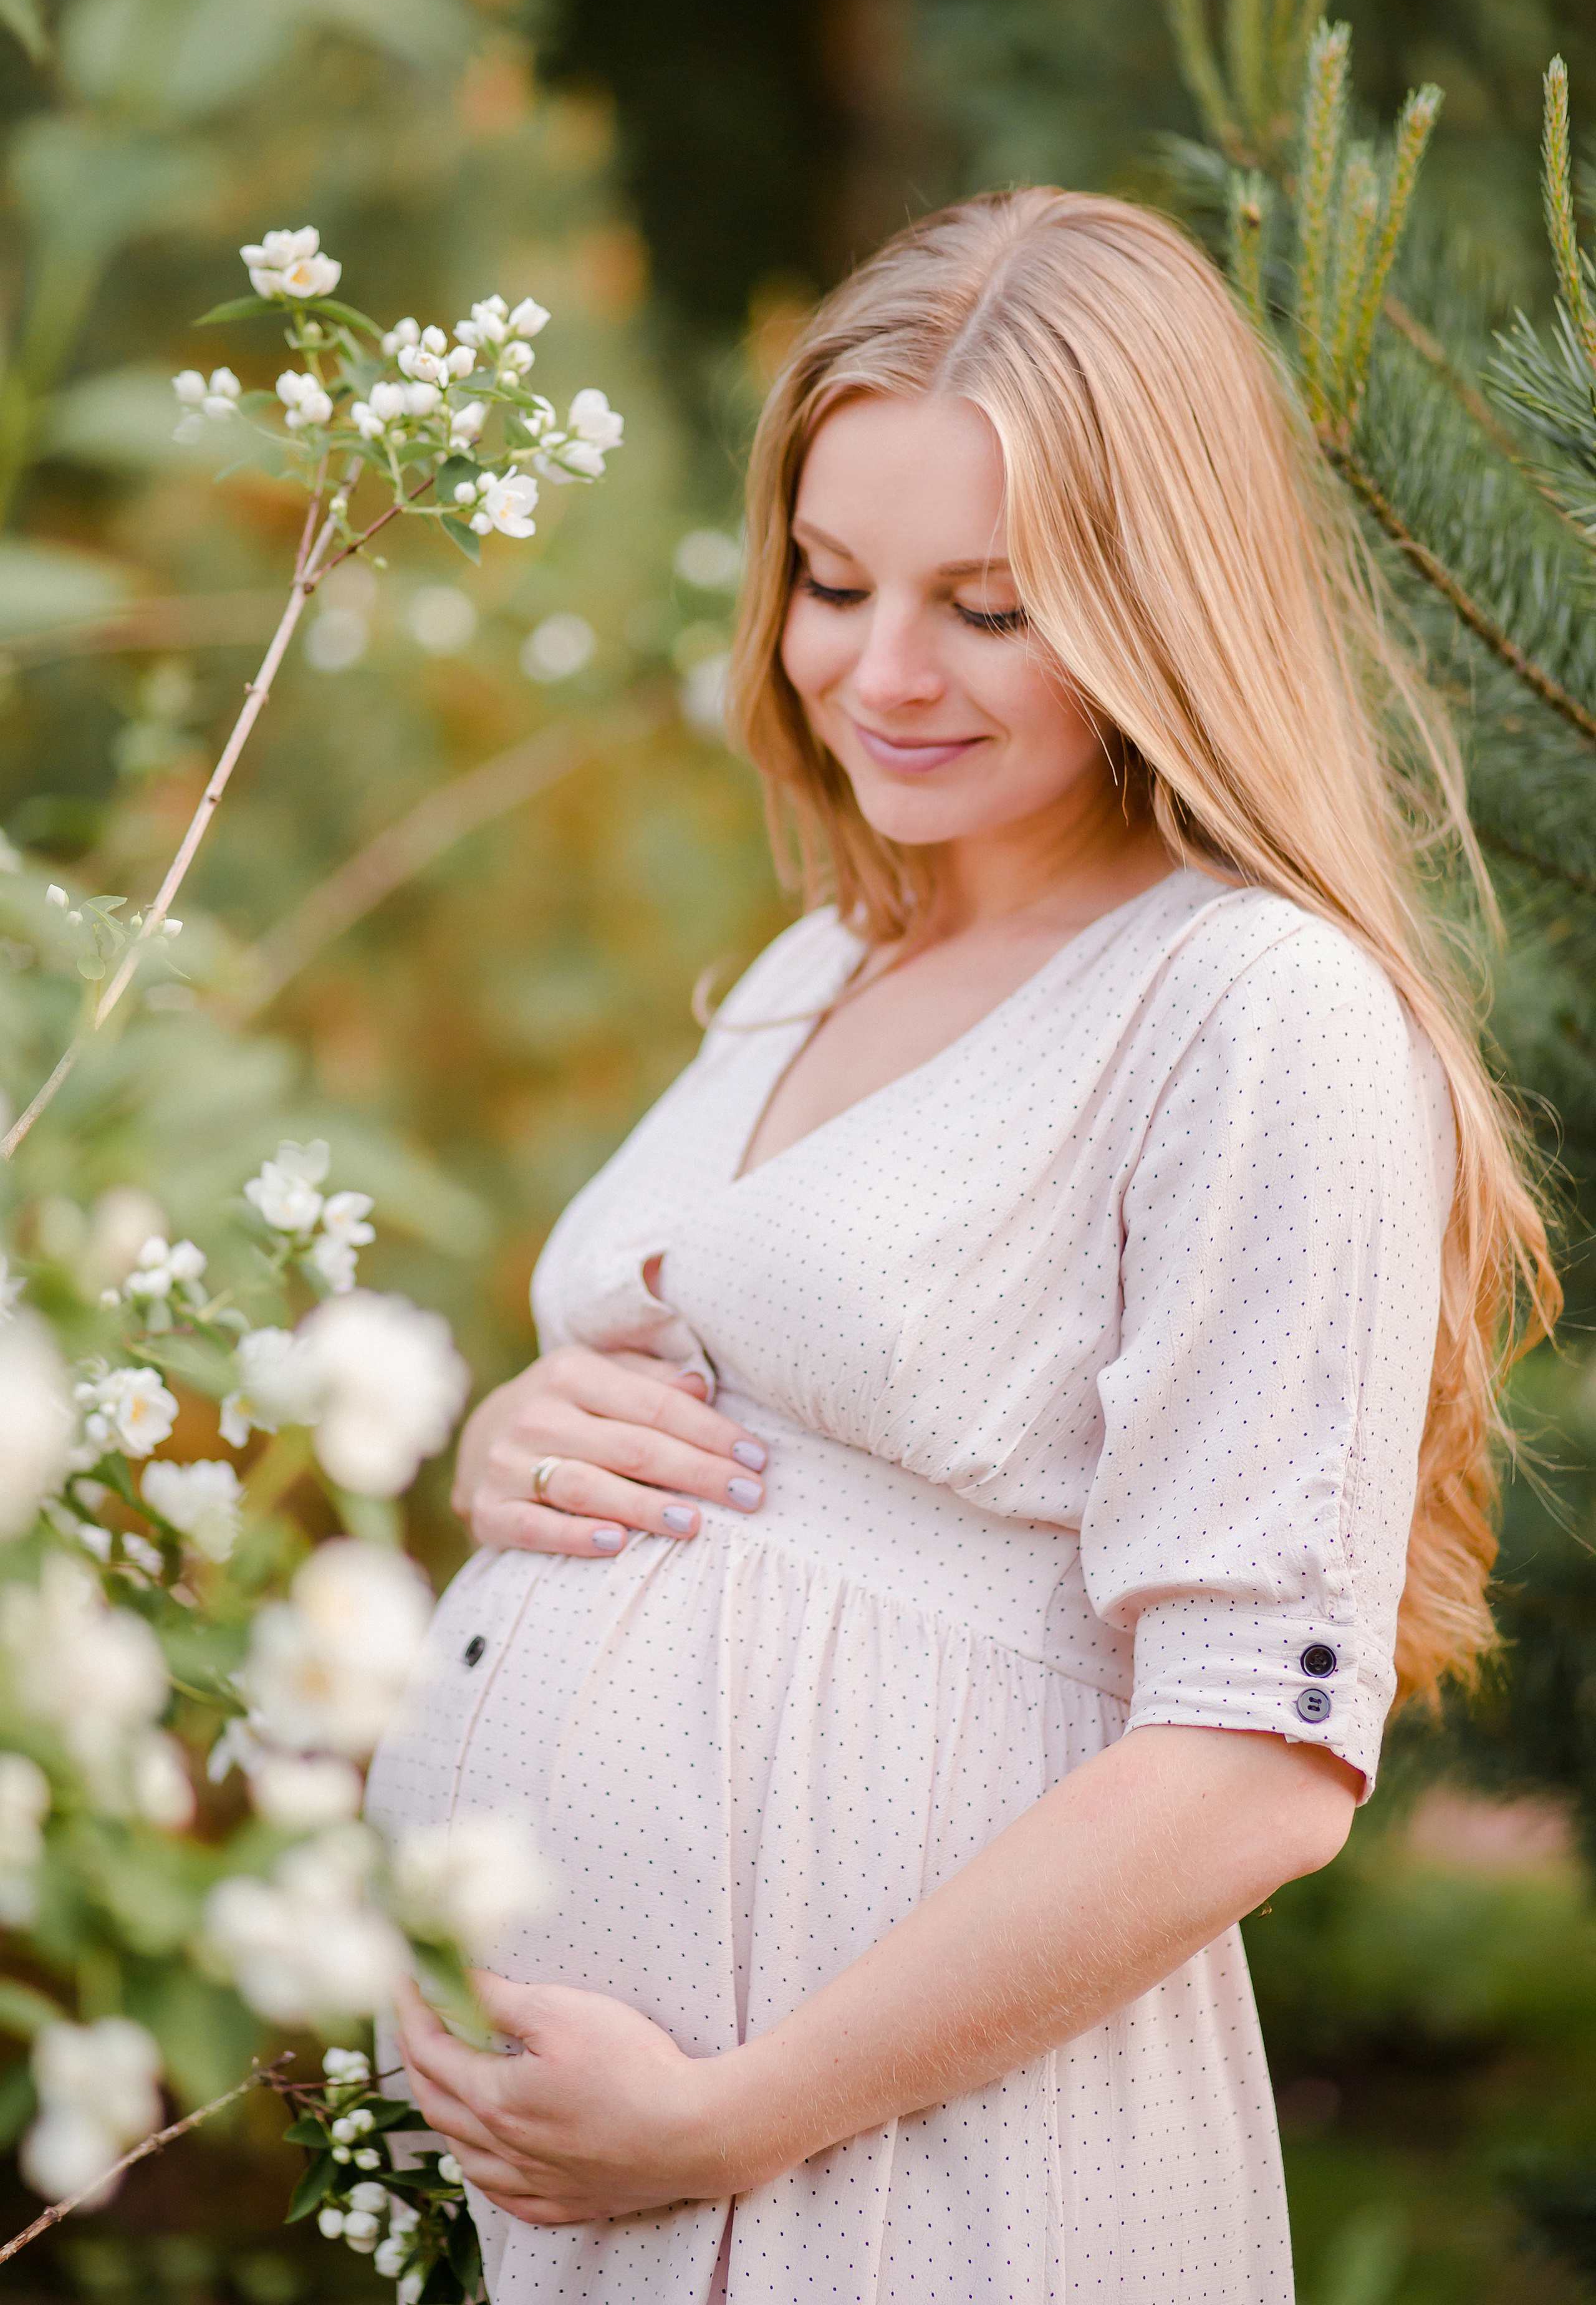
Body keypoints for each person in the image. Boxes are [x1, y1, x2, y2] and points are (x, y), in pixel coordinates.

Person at [365, 188, 1557, 2304]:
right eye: (833, 580)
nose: (878, 671)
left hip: (919, 2194)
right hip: (602, 2208)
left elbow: (1257, 1762)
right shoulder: (832, 947)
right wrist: (513, 1454)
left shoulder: (1249, 1009)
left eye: (989, 609)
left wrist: (731, 2119)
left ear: (1161, 602)